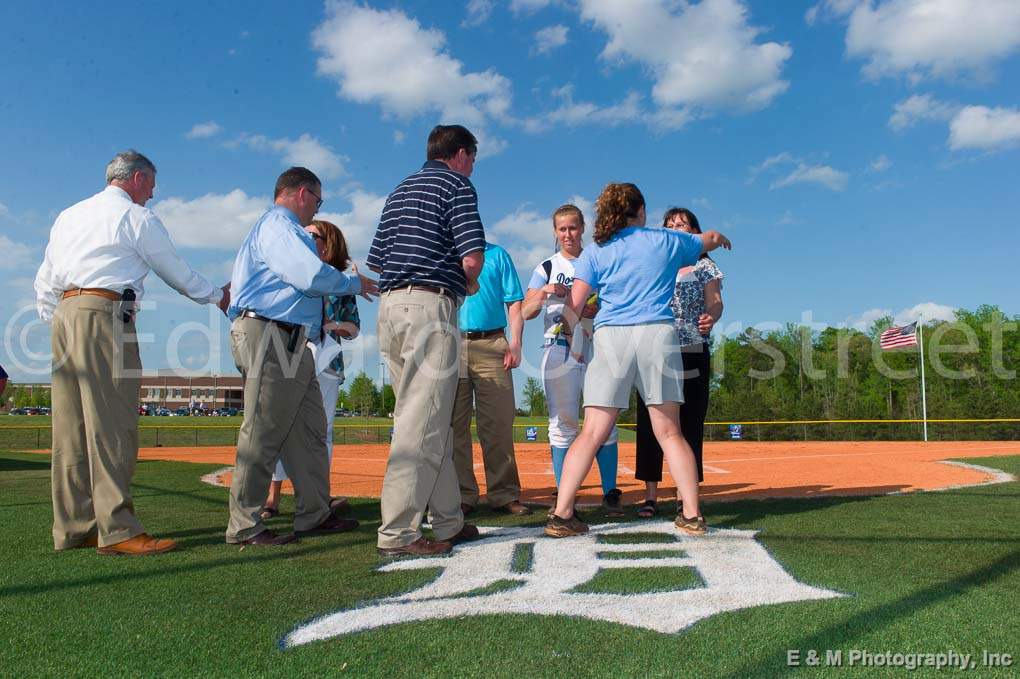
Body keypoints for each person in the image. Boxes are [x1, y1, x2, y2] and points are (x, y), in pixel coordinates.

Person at [34, 149, 230, 555]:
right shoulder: (136, 217)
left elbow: (45, 279)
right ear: (137, 178)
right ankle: (118, 529)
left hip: (64, 314)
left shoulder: (68, 215)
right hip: (105, 313)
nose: (152, 195)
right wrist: (216, 296)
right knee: (113, 424)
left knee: (70, 429)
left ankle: (74, 528)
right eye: (152, 186)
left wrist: (60, 316)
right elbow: (173, 269)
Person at [544, 183, 731, 539]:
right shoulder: (665, 240)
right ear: (641, 210)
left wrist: (569, 337)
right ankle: (691, 515)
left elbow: (576, 305)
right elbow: (706, 238)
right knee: (670, 432)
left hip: (611, 336)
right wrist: (720, 238)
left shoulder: (597, 250)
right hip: (656, 336)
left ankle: (562, 513)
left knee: (592, 432)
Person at [225, 167, 378, 546]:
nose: (316, 210)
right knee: (262, 432)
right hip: (271, 334)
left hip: (292, 340)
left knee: (309, 431)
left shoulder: (280, 228)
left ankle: (314, 513)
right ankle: (244, 524)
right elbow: (309, 276)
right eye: (318, 201)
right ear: (303, 193)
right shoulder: (280, 225)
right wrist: (353, 283)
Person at [367, 124, 485, 557]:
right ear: (458, 154)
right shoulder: (456, 185)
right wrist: (467, 284)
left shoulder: (398, 191)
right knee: (422, 423)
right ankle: (398, 532)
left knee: (423, 417)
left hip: (391, 308)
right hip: (430, 308)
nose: (472, 166)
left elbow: (378, 261)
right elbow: (472, 259)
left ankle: (449, 520)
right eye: (471, 157)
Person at [522, 204, 623, 516]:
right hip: (558, 349)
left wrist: (597, 308)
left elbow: (617, 300)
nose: (568, 234)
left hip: (598, 346)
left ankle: (610, 494)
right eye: (562, 229)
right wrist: (547, 292)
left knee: (606, 421)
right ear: (555, 232)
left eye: (573, 228)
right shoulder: (547, 268)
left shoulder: (598, 259)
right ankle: (565, 496)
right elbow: (525, 312)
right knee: (563, 423)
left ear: (583, 229)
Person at [260, 219, 361, 520]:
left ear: (327, 244)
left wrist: (331, 325)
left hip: (326, 361)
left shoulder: (341, 281)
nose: (303, 239)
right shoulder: (288, 271)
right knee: (280, 425)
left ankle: (319, 496)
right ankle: (271, 497)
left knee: (322, 431)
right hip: (289, 355)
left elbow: (354, 328)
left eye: (312, 236)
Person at [635, 208, 724, 518]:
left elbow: (716, 302)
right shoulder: (659, 262)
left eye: (682, 224)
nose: (676, 228)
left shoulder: (704, 264)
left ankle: (683, 496)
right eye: (670, 224)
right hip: (655, 348)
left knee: (689, 423)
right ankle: (649, 495)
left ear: (695, 231)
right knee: (650, 422)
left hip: (692, 348)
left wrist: (710, 317)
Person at [451, 240, 530, 516]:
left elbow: (515, 303)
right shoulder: (448, 250)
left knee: (497, 424)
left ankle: (504, 494)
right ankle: (462, 495)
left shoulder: (498, 254)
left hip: (493, 342)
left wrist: (517, 342)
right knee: (454, 426)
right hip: (451, 345)